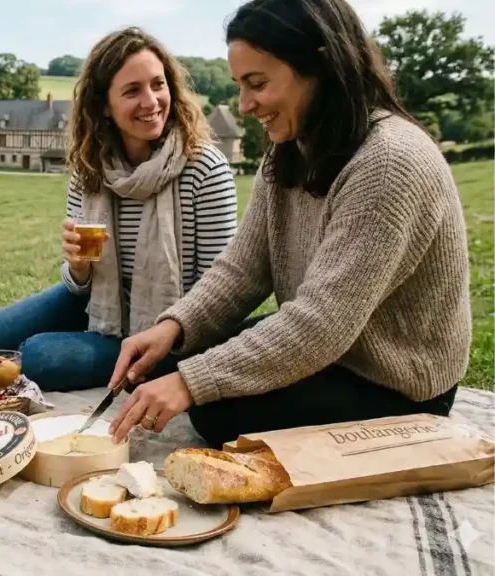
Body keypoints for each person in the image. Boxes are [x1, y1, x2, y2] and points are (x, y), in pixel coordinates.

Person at [105, 0, 471, 448]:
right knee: (174, 362)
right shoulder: (290, 149)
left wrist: (191, 385)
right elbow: (243, 269)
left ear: (320, 66)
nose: (243, 105)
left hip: (394, 382)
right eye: (241, 85)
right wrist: (173, 328)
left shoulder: (390, 161)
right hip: (335, 352)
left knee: (213, 407)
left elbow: (321, 323)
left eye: (257, 84)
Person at [0, 27, 238, 392]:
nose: (152, 101)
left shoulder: (204, 168)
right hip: (101, 304)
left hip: (173, 331)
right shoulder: (91, 169)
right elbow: (79, 287)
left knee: (40, 357)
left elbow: (218, 292)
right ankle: (88, 339)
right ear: (104, 104)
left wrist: (168, 332)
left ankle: (129, 359)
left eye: (158, 84)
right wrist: (77, 268)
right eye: (132, 90)